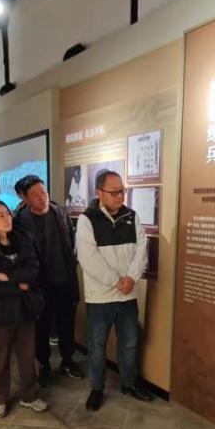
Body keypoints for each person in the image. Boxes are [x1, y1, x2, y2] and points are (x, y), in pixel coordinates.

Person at [76, 170, 150, 411]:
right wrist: (117, 281)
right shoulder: (87, 220)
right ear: (99, 193)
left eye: (122, 191)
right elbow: (88, 258)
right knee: (97, 345)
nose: (120, 196)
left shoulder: (131, 216)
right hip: (100, 296)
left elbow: (141, 249)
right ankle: (97, 388)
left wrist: (131, 278)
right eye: (114, 192)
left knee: (129, 342)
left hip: (128, 294)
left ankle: (129, 383)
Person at [0, 197, 47, 418]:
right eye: (0, 215)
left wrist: (10, 278)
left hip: (25, 308)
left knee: (27, 355)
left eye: (7, 213)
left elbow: (33, 269)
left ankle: (29, 395)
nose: (7, 219)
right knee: (1, 357)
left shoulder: (22, 239)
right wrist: (19, 286)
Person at [15, 175, 83, 384]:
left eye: (43, 191)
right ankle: (43, 364)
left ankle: (67, 361)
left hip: (64, 281)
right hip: (39, 285)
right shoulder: (20, 222)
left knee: (66, 324)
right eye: (35, 195)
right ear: (25, 198)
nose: (41, 197)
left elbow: (71, 243)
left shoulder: (60, 212)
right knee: (41, 327)